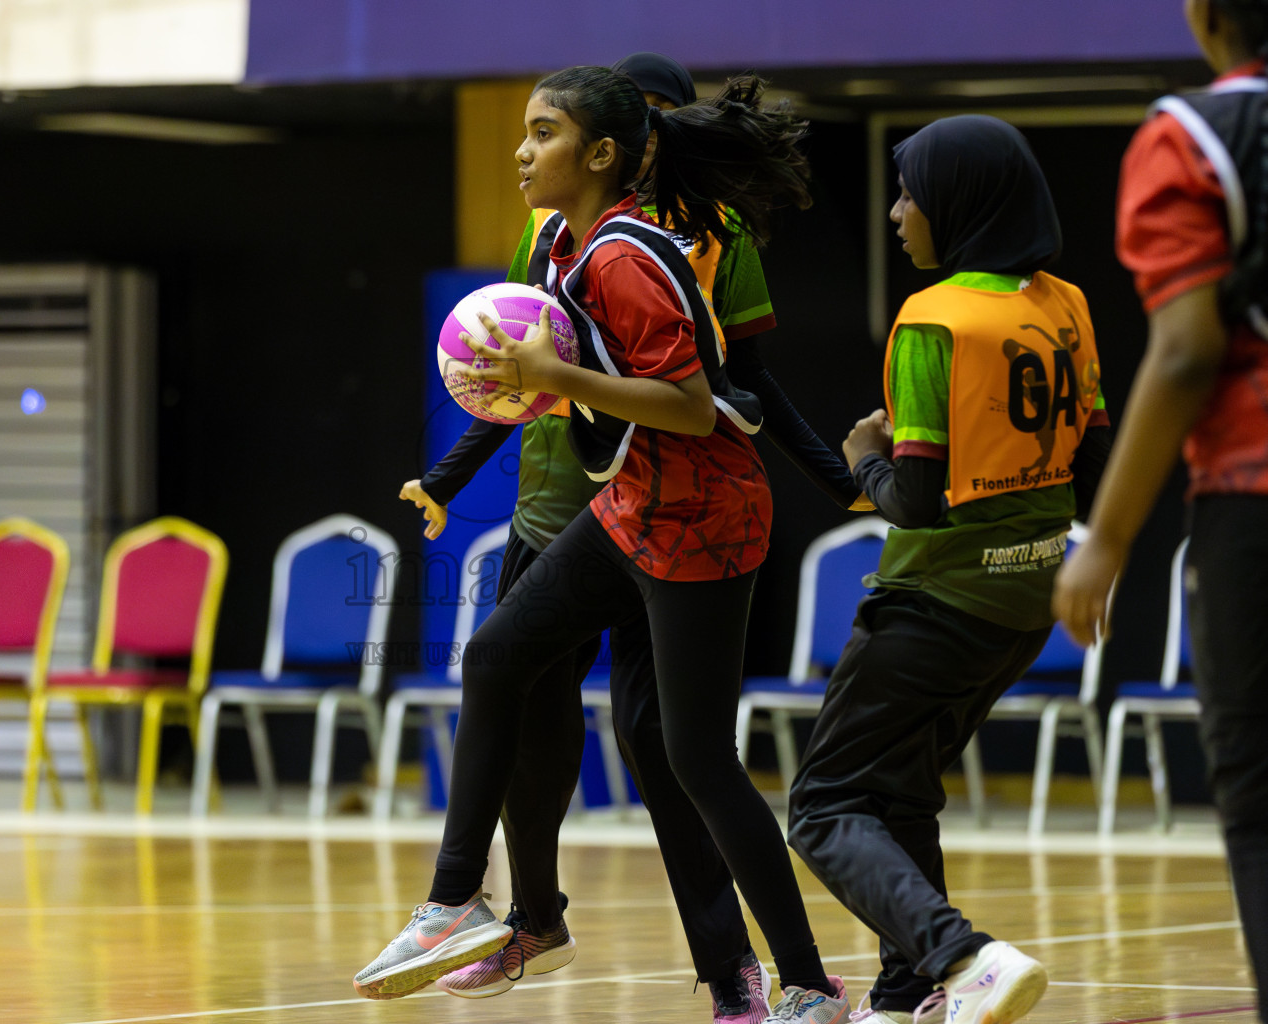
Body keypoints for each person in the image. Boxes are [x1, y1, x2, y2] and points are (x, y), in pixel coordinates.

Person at [354, 66, 848, 1023]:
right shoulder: (565, 244)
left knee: (690, 756)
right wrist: (472, 447)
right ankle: (461, 900)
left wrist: (558, 374)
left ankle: (803, 984)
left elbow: (694, 404)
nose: (520, 148)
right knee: (497, 657)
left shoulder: (630, 255)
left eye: (541, 133)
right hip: (624, 501)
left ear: (603, 153)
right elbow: (547, 375)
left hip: (701, 516)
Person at [784, 116, 1112, 1024]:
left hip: (934, 598)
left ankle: (960, 954)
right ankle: (903, 991)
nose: (895, 213)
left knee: (821, 805)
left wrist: (862, 460)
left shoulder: (931, 319)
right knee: (897, 792)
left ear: (958, 203)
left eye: (908, 193)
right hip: (1025, 597)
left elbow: (917, 501)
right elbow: (1082, 455)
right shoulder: (1066, 304)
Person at [1053, 0, 1268, 1013]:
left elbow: (1183, 350)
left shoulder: (1188, 136)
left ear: (1205, 14)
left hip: (1253, 493)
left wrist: (1105, 539)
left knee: (1258, 788)